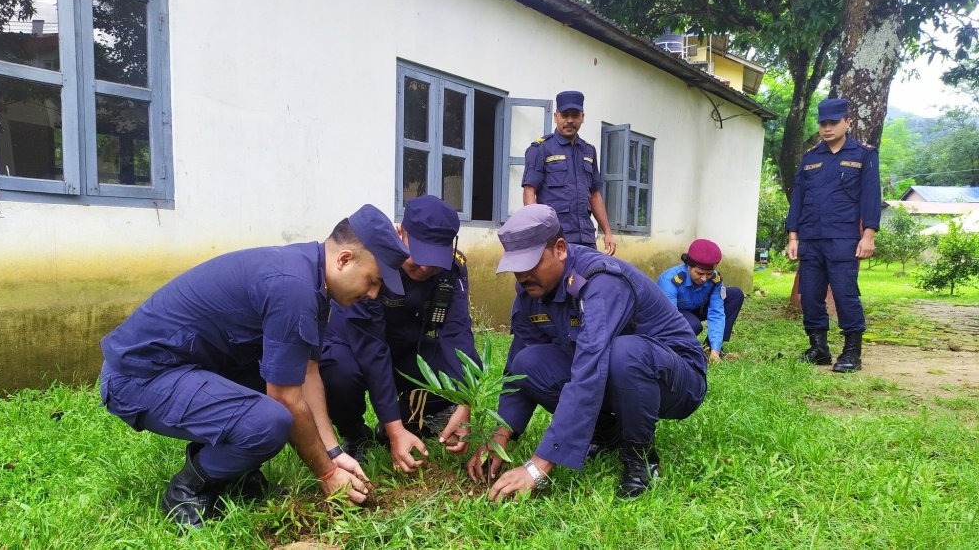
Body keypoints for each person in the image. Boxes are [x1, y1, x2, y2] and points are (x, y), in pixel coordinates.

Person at [99, 204, 410, 527]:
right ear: (344, 259)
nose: (373, 294)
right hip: (136, 378)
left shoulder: (312, 277)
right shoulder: (294, 288)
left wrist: (333, 454)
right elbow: (286, 398)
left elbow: (307, 372)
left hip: (182, 367)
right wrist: (327, 474)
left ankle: (238, 474)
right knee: (270, 421)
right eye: (372, 281)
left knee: (281, 375)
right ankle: (186, 490)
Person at [467, 204, 706, 500]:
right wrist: (500, 435)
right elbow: (518, 364)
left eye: (531, 264)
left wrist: (538, 466)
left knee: (625, 353)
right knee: (527, 362)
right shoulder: (531, 292)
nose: (523, 275)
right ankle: (606, 433)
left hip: (678, 378)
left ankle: (640, 457)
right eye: (517, 267)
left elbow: (589, 367)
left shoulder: (600, 281)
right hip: (618, 374)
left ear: (560, 249)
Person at [320, 195, 479, 473]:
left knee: (445, 373)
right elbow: (372, 349)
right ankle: (356, 434)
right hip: (357, 345)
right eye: (418, 255)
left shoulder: (453, 267)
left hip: (408, 348)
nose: (425, 268)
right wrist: (395, 429)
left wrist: (465, 400)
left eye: (434, 259)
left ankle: (405, 422)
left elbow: (457, 331)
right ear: (400, 233)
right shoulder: (375, 260)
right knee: (337, 373)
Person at [785, 97, 881, 373]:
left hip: (844, 238)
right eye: (822, 123)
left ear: (847, 122)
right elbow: (798, 199)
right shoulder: (811, 158)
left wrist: (869, 234)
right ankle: (819, 348)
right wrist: (793, 237)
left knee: (845, 294)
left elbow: (871, 196)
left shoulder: (863, 155)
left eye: (833, 123)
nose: (827, 128)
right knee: (810, 294)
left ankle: (852, 352)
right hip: (811, 239)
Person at [522, 90, 616, 255]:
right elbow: (529, 192)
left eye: (575, 115)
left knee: (592, 272)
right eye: (565, 115)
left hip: (586, 238)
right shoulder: (541, 149)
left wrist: (607, 232)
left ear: (582, 117)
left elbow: (595, 195)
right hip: (555, 237)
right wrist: (538, 232)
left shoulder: (588, 151)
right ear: (556, 116)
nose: (570, 120)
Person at [657, 239, 745, 364]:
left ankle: (711, 347)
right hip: (676, 312)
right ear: (689, 266)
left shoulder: (715, 279)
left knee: (735, 295)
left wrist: (715, 351)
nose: (704, 278)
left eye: (709, 274)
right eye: (699, 273)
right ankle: (679, 348)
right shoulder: (669, 280)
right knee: (694, 325)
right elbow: (669, 319)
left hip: (699, 307)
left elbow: (716, 312)